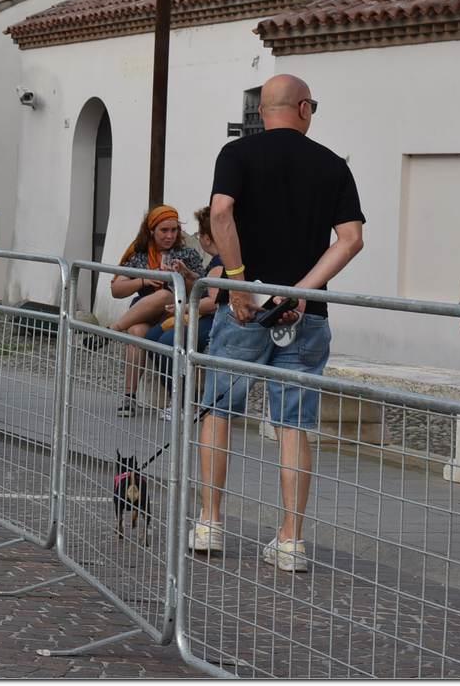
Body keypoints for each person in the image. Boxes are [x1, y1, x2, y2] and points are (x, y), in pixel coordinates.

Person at [190, 74, 364, 573]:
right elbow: (351, 239)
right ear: (304, 108)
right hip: (306, 313)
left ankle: (210, 522)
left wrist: (239, 283)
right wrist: (302, 291)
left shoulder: (236, 155)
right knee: (294, 424)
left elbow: (221, 212)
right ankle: (291, 540)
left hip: (244, 308)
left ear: (262, 111)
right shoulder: (332, 165)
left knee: (219, 410)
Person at [108, 206, 203, 417]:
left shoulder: (187, 254)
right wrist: (143, 279)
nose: (170, 236)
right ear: (152, 231)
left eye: (174, 230)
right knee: (136, 332)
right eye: (164, 230)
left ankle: (113, 329)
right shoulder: (140, 254)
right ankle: (129, 398)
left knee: (165, 296)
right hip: (144, 311)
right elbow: (116, 289)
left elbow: (201, 290)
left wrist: (184, 275)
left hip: (174, 311)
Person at [145, 206, 225, 420]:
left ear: (207, 238)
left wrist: (185, 307)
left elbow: (214, 302)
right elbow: (207, 285)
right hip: (203, 317)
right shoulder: (216, 261)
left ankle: (184, 402)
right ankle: (180, 397)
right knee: (152, 337)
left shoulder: (219, 263)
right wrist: (189, 274)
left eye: (199, 234)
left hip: (212, 321)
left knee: (167, 342)